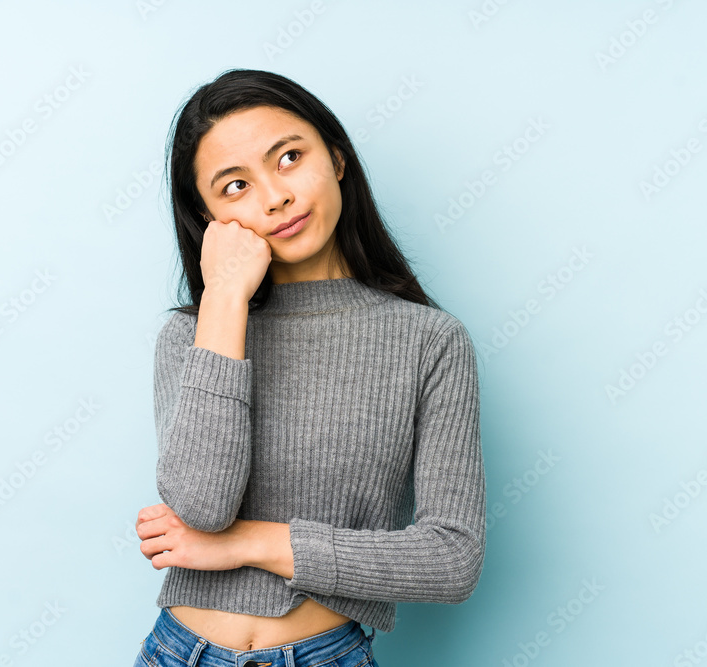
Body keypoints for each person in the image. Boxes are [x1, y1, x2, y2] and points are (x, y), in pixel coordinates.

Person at [132, 68, 486, 667]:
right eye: (235, 186)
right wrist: (222, 298)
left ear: (337, 159)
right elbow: (199, 506)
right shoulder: (193, 335)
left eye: (289, 157)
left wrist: (252, 543)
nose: (275, 197)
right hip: (178, 653)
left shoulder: (430, 341)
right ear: (210, 219)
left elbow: (452, 559)